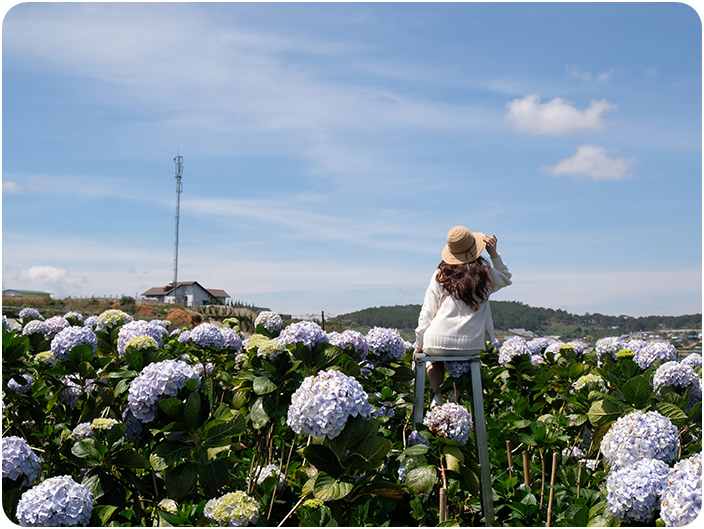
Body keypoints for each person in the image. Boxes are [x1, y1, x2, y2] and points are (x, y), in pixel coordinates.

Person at [414, 225, 512, 405]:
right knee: (465, 364)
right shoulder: (486, 275)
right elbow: (506, 278)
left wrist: (419, 344)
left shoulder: (441, 274)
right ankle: (455, 396)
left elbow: (427, 311)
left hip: (437, 340)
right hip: (471, 344)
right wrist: (494, 254)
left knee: (434, 360)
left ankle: (438, 397)